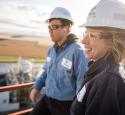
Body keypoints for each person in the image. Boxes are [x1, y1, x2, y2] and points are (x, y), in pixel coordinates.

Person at [30, 7, 88, 115]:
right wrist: (36, 87)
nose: (50, 31)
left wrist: (78, 109)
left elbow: (82, 84)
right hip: (47, 99)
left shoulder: (78, 52)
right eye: (49, 27)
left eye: (54, 27)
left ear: (66, 28)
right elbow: (46, 72)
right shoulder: (51, 50)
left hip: (65, 105)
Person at [70, 0, 125, 115]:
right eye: (85, 34)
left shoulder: (107, 81)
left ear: (114, 41)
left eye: (92, 35)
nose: (83, 41)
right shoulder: (101, 72)